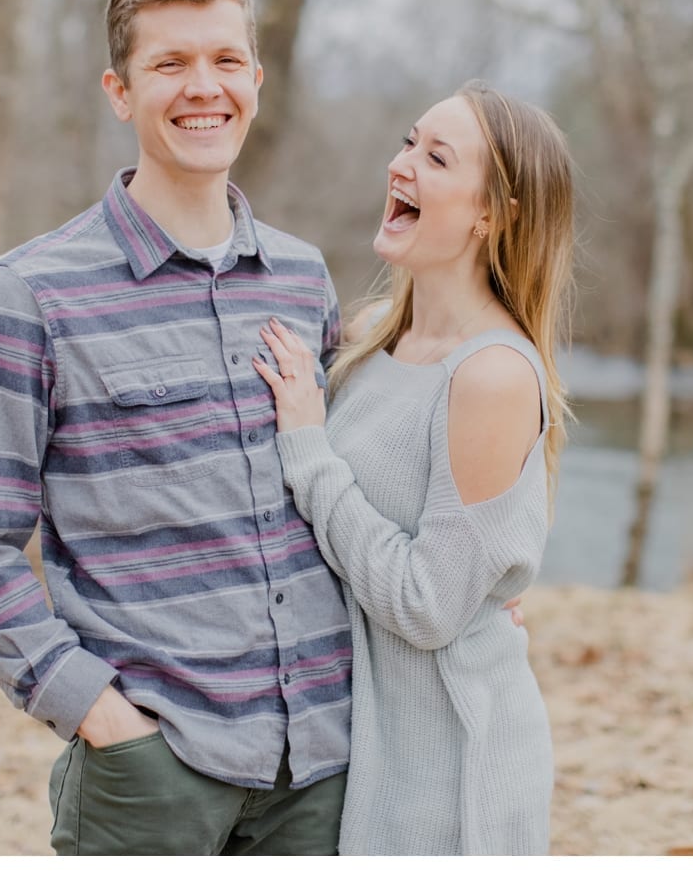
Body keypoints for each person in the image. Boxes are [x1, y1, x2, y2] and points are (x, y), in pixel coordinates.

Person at [0, 0, 354, 855]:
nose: (205, 88)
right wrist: (103, 719)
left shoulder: (304, 278)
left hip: (322, 768)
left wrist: (471, 583)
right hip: (153, 775)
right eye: (170, 65)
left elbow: (345, 490)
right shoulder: (27, 294)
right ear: (120, 92)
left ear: (257, 79)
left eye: (226, 61)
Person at [251, 81, 576, 855]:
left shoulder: (493, 374)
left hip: (450, 770)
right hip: (361, 747)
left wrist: (309, 446)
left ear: (492, 213)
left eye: (436, 158)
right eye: (408, 142)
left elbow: (430, 606)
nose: (402, 166)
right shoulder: (368, 337)